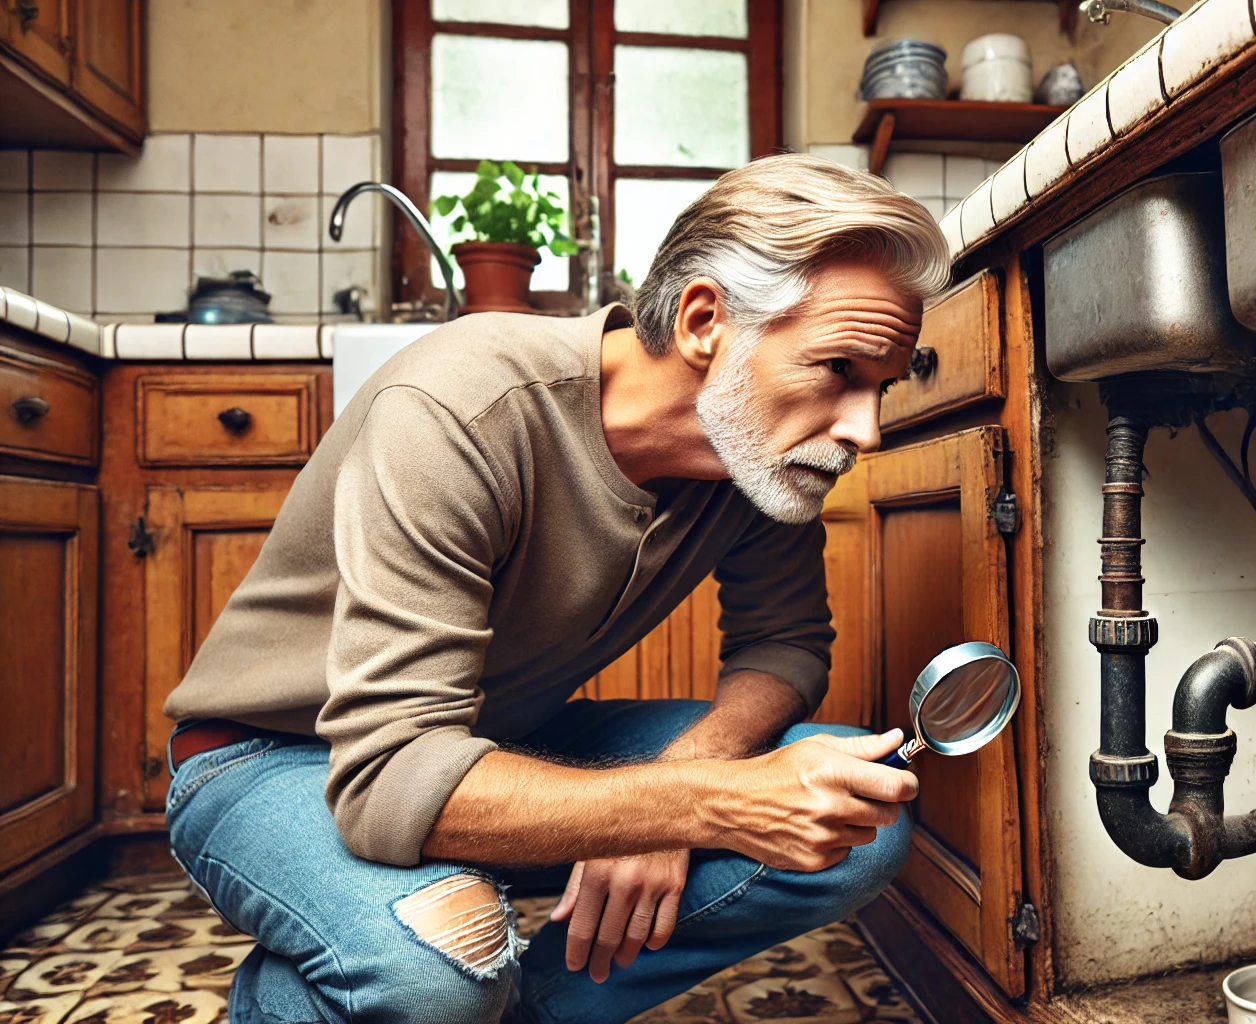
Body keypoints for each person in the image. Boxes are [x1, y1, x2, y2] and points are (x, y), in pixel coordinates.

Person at [159, 153, 951, 1024]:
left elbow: (785, 642)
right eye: (839, 369)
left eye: (882, 385)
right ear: (703, 321)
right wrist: (682, 807)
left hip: (494, 740)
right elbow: (389, 777)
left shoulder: (763, 454)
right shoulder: (464, 406)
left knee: (855, 813)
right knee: (439, 969)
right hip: (274, 759)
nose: (865, 430)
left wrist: (684, 779)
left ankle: (488, 1010)